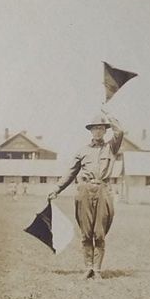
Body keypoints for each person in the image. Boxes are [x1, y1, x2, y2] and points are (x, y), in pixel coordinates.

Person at [48, 110, 124, 281]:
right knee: (86, 232)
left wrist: (109, 116)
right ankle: (88, 268)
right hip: (84, 192)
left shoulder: (111, 147)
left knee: (99, 233)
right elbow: (70, 173)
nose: (98, 131)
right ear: (90, 131)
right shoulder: (82, 151)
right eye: (94, 128)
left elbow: (120, 132)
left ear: (105, 130)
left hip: (103, 190)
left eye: (101, 128)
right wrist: (56, 189)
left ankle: (97, 270)